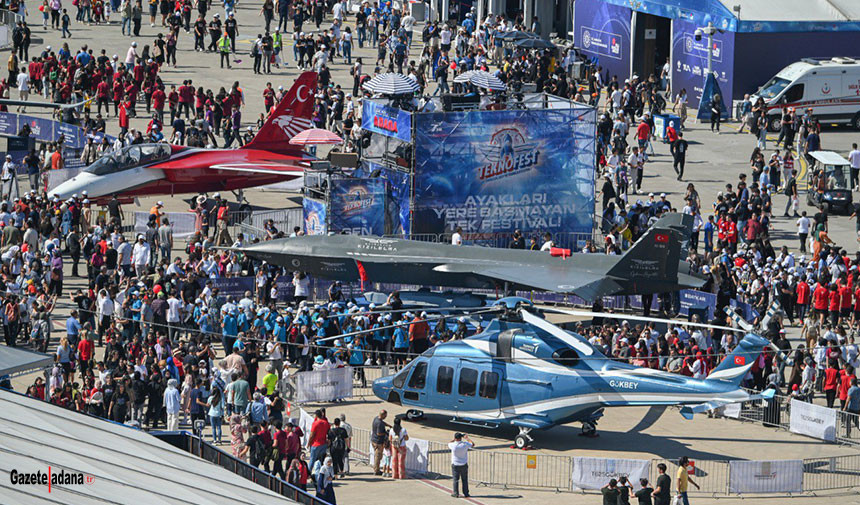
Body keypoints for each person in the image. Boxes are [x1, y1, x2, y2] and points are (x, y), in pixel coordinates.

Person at [449, 432, 473, 498]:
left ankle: (455, 493)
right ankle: (466, 493)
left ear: (455, 438)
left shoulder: (453, 445)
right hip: (463, 464)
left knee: (455, 479)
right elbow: (472, 444)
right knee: (464, 479)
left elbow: (449, 442)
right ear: (461, 438)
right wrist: (467, 438)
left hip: (455, 464)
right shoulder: (464, 444)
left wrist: (454, 439)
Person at [371, 409, 389, 475]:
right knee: (378, 456)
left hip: (374, 440)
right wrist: (385, 433)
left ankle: (376, 468)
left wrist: (388, 425)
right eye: (385, 416)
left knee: (377, 455)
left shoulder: (376, 418)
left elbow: (382, 422)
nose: (385, 417)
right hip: (378, 442)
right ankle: (376, 470)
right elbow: (379, 433)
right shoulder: (379, 423)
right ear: (382, 415)